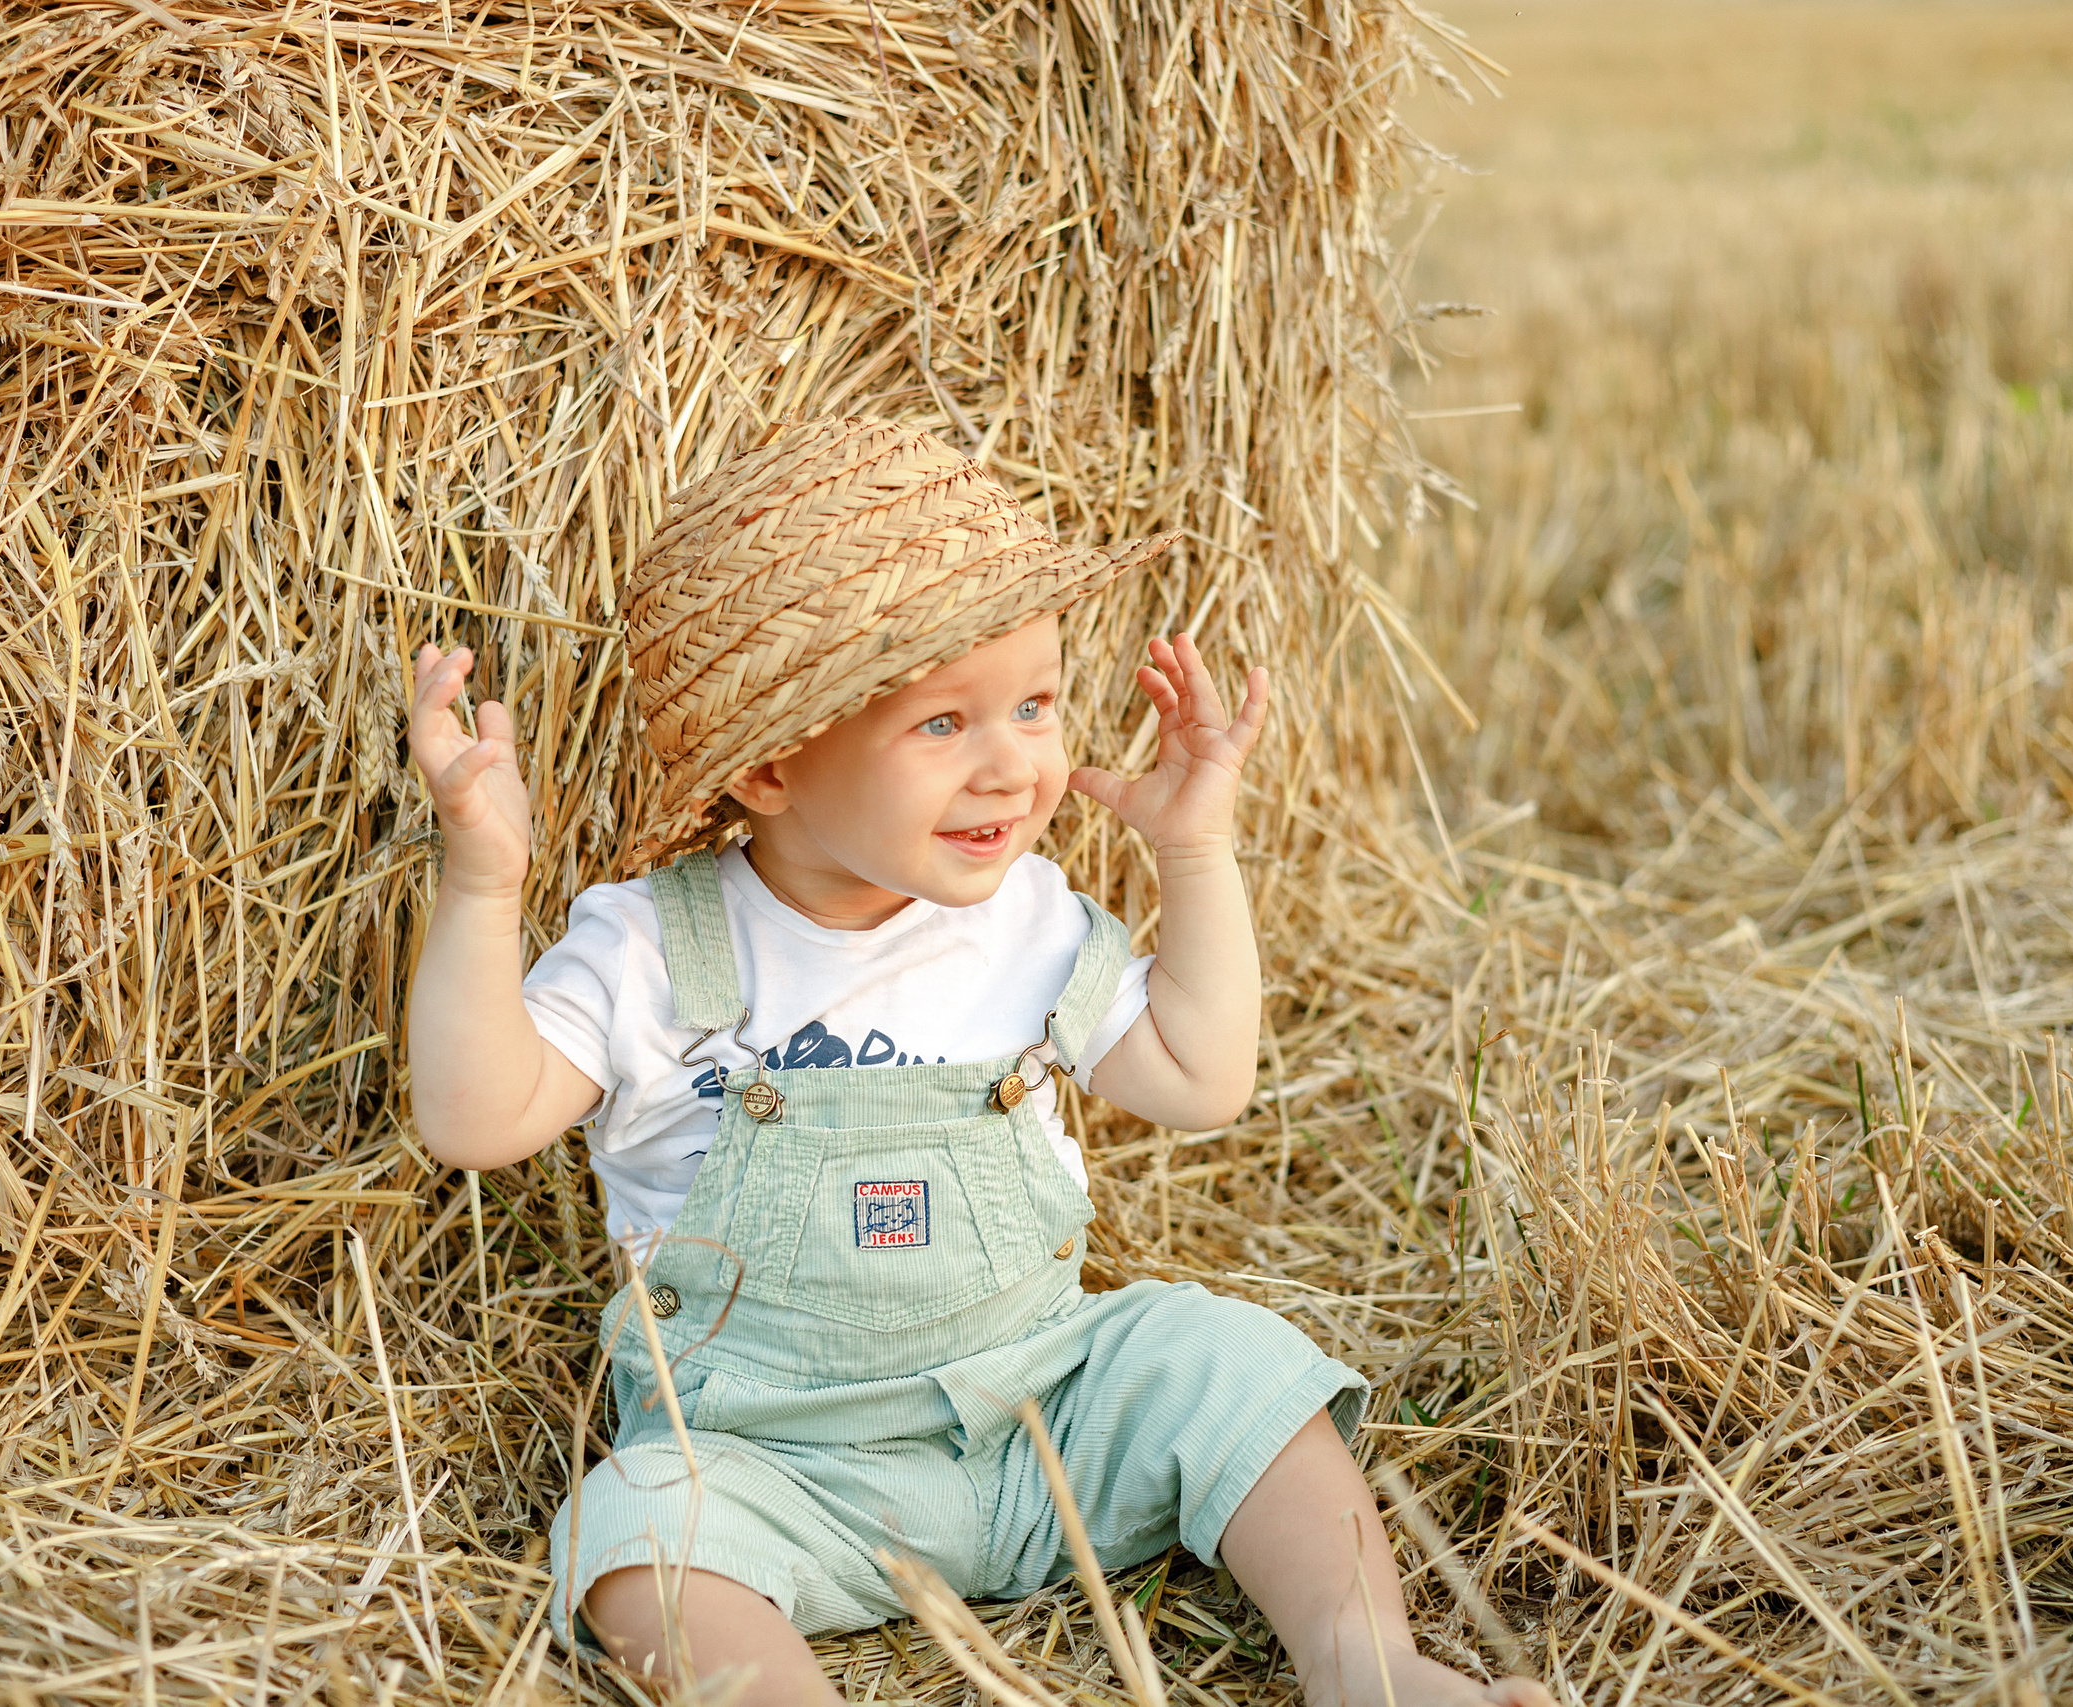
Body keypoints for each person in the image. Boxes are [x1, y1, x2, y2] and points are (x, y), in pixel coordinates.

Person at [403, 417, 1552, 1707]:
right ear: (777, 767)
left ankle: (1369, 1667)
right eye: (943, 722)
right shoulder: (658, 947)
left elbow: (1202, 1078)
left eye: (1035, 705)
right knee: (639, 1527)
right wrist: (483, 883)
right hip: (774, 1472)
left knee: (1223, 1360)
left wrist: (1196, 852)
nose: (1013, 759)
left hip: (1039, 1423)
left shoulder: (1032, 922)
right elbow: (472, 1116)